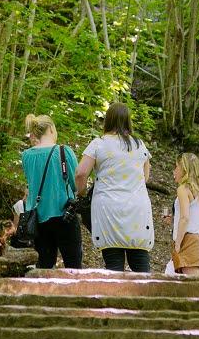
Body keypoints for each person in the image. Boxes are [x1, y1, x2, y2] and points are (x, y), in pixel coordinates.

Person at [75, 102, 154, 273]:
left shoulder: (98, 143)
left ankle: (115, 297)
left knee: (113, 262)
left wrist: (81, 195)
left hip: (108, 207)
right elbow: (145, 177)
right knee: (140, 261)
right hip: (137, 209)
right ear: (128, 121)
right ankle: (147, 296)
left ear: (108, 120)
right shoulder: (139, 144)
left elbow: (80, 173)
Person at [21, 114, 82, 269]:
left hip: (38, 218)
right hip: (64, 215)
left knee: (45, 266)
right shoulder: (64, 151)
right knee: (73, 265)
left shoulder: (27, 155)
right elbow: (76, 183)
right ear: (51, 129)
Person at [169, 152, 199, 276]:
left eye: (176, 166)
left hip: (188, 240)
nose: (175, 170)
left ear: (184, 169)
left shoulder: (183, 189)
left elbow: (185, 217)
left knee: (193, 288)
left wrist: (178, 243)